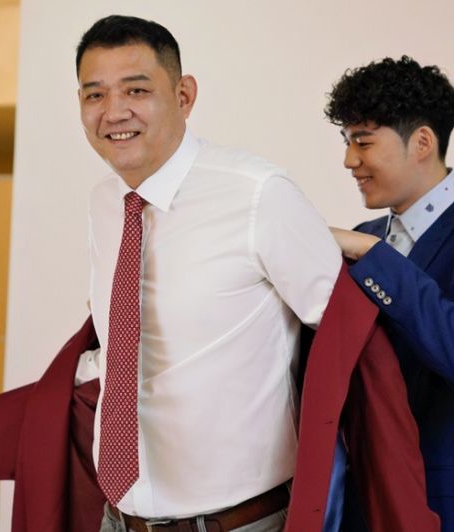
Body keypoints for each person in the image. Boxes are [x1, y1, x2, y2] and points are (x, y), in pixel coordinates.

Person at [74, 14, 342, 532]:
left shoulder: (258, 194)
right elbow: (126, 339)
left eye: (136, 90)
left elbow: (345, 342)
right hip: (119, 518)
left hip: (238, 521)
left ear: (184, 96)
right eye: (95, 94)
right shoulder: (105, 202)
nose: (114, 111)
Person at [327, 56, 454, 531]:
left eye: (363, 141)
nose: (349, 160)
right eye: (347, 141)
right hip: (354, 508)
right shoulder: (363, 236)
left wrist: (375, 256)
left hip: (443, 510)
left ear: (422, 142)